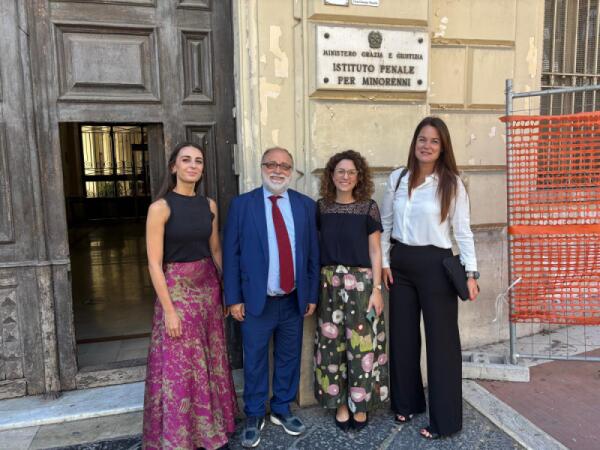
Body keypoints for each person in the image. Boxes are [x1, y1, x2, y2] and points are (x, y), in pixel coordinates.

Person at [380, 117, 479, 440]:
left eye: (434, 141)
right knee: (403, 337)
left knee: (442, 344)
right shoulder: (397, 178)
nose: (427, 145)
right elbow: (385, 224)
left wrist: (471, 272)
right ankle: (407, 402)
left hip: (437, 265)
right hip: (400, 264)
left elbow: (463, 231)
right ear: (414, 142)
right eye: (422, 139)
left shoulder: (451, 183)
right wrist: (384, 262)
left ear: (443, 147)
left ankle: (445, 420)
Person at [223, 147, 320, 448]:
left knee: (289, 356)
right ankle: (254, 414)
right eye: (271, 164)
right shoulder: (242, 205)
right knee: (254, 360)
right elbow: (231, 255)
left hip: (293, 299)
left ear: (292, 171)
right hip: (256, 301)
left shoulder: (305, 206)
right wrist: (233, 299)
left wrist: (311, 294)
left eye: (285, 166)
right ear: (262, 167)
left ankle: (281, 408)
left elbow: (312, 255)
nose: (278, 170)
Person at [143, 142, 236, 450]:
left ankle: (210, 430)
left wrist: (226, 290)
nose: (193, 165)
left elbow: (215, 249)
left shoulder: (209, 205)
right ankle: (180, 437)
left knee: (209, 359)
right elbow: (154, 264)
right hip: (177, 292)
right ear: (174, 167)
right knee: (181, 365)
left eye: (198, 161)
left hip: (208, 289)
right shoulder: (160, 208)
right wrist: (169, 310)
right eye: (186, 160)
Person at [314, 150, 389, 432]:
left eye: (351, 172)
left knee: (362, 346)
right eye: (340, 171)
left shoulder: (368, 207)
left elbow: (375, 250)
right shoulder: (321, 208)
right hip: (328, 284)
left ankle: (361, 404)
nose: (345, 176)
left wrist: (377, 289)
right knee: (331, 347)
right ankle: (340, 403)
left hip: (361, 284)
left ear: (359, 177)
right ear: (331, 175)